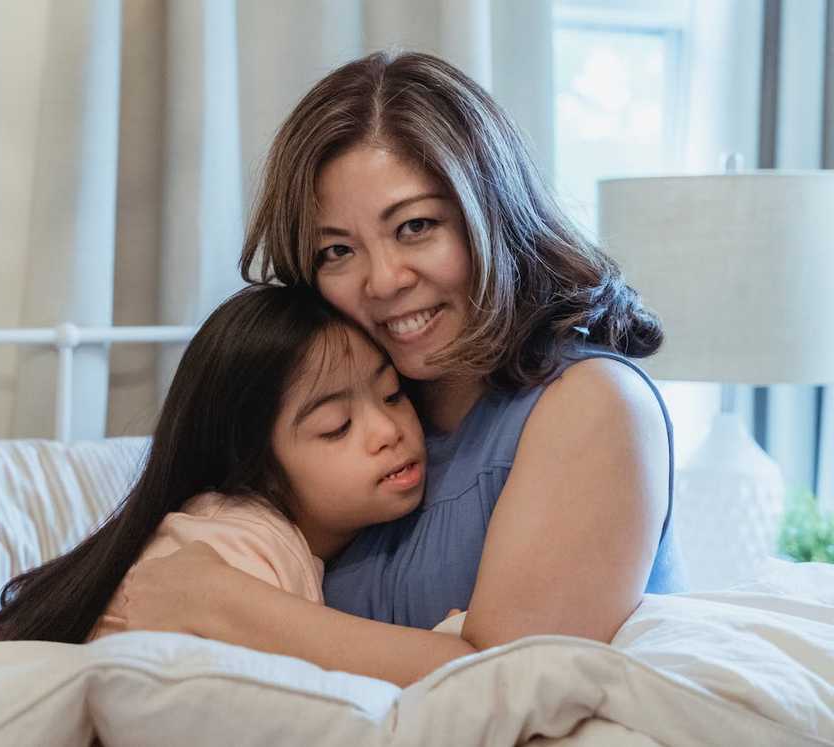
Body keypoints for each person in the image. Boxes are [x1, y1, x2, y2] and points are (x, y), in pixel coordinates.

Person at [116, 50, 687, 687]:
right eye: (338, 250)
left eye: (415, 226)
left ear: (491, 218)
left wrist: (220, 601)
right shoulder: (344, 426)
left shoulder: (592, 403)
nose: (384, 280)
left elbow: (518, 686)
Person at [0, 284, 429, 647]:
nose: (389, 430)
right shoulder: (235, 545)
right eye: (337, 426)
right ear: (256, 465)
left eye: (393, 394)